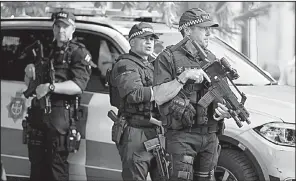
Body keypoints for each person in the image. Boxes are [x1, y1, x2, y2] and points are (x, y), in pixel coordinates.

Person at [153, 8, 231, 181]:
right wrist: (183, 77)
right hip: (182, 136)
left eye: (210, 29)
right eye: (204, 29)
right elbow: (158, 96)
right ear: (188, 30)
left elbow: (220, 95)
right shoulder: (168, 57)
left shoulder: (211, 58)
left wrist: (224, 111)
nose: (209, 33)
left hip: (210, 136)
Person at [24, 11, 92, 181]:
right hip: (39, 116)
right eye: (58, 26)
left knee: (56, 168)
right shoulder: (45, 50)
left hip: (60, 116)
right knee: (37, 168)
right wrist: (28, 72)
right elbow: (32, 86)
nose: (61, 30)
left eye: (65, 26)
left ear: (73, 29)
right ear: (53, 28)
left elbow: (78, 85)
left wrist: (51, 87)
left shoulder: (78, 53)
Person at [110, 22, 161, 181]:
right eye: (144, 38)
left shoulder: (152, 65)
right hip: (135, 131)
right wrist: (164, 92)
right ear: (132, 42)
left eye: (152, 39)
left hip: (156, 129)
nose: (149, 42)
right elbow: (135, 94)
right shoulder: (125, 64)